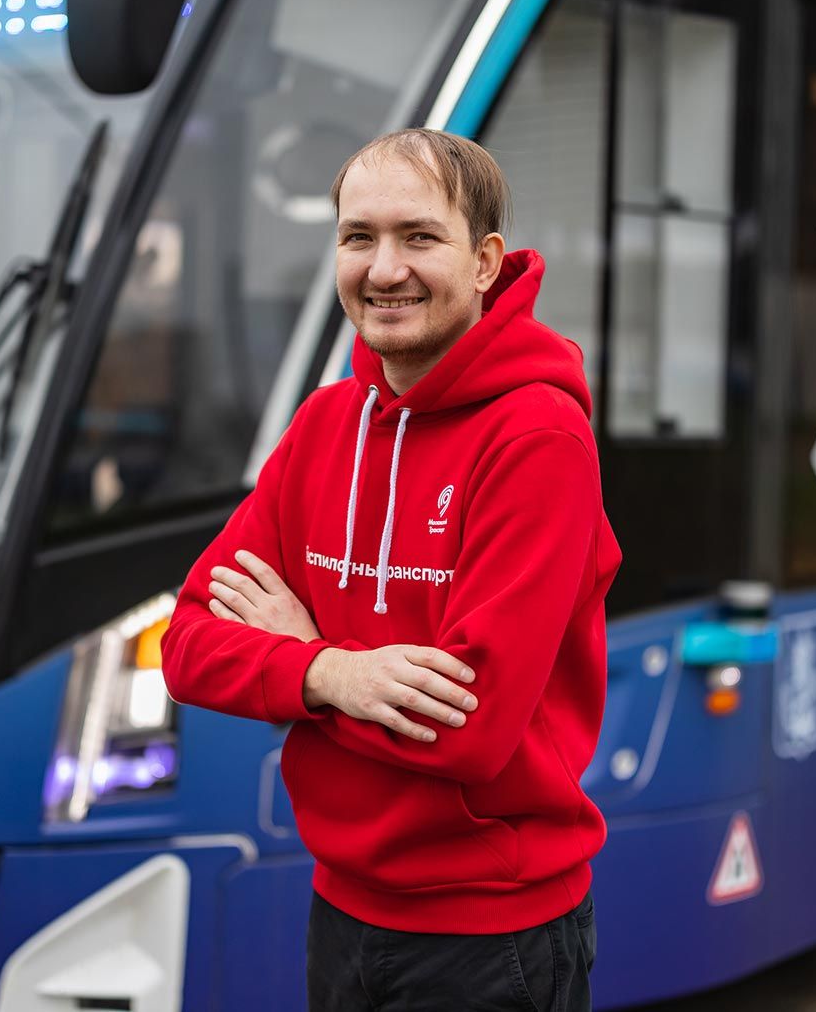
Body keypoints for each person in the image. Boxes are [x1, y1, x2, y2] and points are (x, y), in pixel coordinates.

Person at [160, 128, 621, 1012]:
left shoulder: (540, 438)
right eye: (358, 237)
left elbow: (470, 729)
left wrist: (298, 667)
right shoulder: (323, 425)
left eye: (418, 236)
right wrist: (330, 671)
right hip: (341, 910)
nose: (383, 269)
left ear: (484, 262)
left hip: (492, 936)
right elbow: (185, 647)